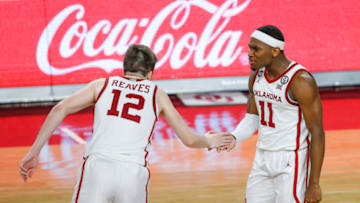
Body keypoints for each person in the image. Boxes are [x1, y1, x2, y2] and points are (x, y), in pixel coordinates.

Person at [19, 44, 233, 203]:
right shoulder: (157, 93)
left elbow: (59, 109)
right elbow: (189, 139)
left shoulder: (102, 84)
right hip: (133, 174)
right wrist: (211, 140)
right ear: (149, 73)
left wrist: (34, 152)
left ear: (124, 68)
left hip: (98, 168)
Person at [216, 25, 325, 203]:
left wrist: (314, 184)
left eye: (256, 49)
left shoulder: (300, 80)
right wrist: (233, 137)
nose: (249, 54)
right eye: (249, 48)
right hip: (262, 156)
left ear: (275, 51)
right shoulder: (256, 76)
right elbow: (252, 119)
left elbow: (317, 133)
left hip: (291, 159)